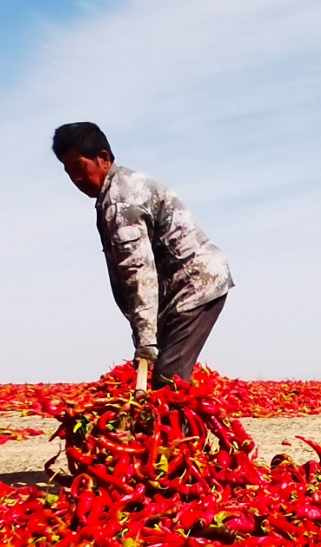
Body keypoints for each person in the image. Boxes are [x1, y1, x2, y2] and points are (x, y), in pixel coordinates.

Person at [53, 121, 233, 388]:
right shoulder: (114, 192)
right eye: (69, 172)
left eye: (80, 168)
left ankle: (176, 431)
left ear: (103, 158)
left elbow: (139, 270)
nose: (77, 179)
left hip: (194, 286)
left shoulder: (121, 201)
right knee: (168, 379)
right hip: (179, 291)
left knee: (168, 382)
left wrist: (146, 340)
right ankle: (174, 429)